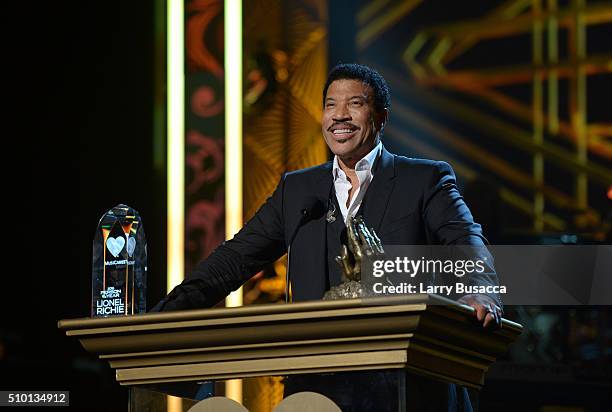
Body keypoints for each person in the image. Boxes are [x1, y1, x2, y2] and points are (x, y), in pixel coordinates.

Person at [152, 63, 502, 411]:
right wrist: (161, 317)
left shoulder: (423, 179)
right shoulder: (298, 190)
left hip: (407, 388)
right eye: (331, 105)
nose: (340, 116)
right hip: (319, 392)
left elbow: (465, 240)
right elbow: (234, 259)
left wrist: (479, 288)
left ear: (381, 117)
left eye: (355, 104)